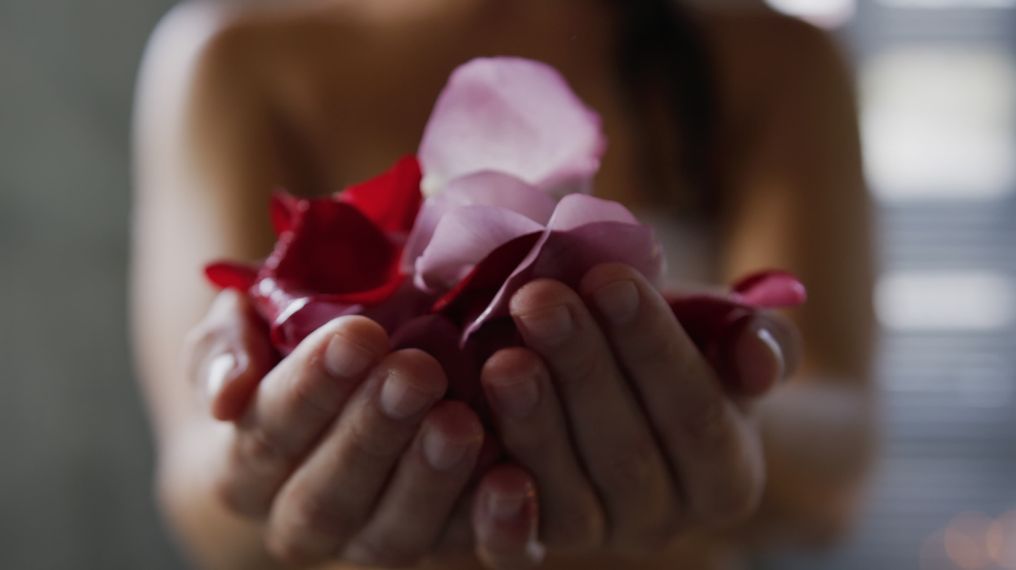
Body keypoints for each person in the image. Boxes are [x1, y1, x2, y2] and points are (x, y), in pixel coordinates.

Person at [131, 0, 876, 568]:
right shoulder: (236, 56)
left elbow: (841, 450)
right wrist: (253, 443)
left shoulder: (774, 58)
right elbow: (203, 498)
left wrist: (717, 412)